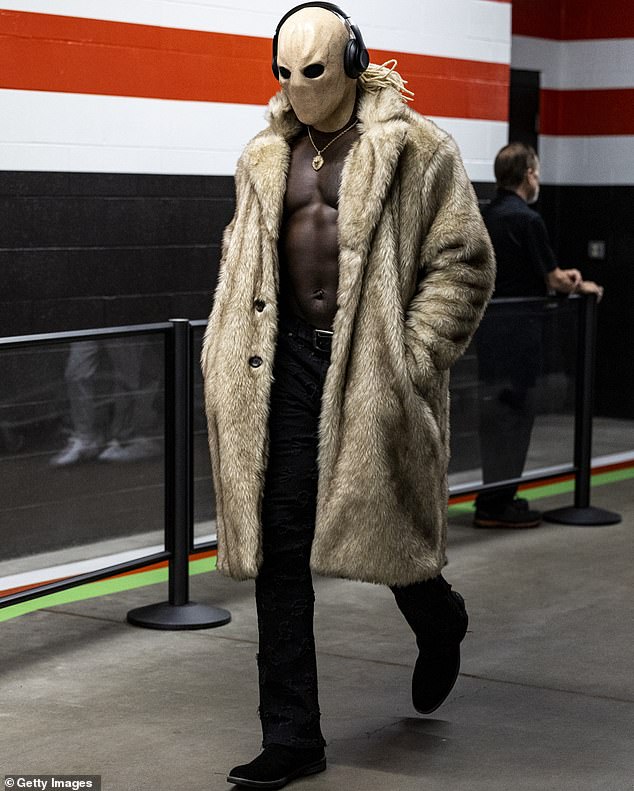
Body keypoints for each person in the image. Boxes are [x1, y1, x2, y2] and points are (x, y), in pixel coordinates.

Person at [201, 4, 495, 787]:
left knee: (389, 526)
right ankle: (293, 735)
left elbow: (464, 260)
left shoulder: (418, 149)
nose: (298, 91)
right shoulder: (265, 155)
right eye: (285, 75)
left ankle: (440, 618)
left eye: (315, 72)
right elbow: (244, 261)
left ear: (355, 60)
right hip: (286, 369)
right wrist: (226, 350)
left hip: (371, 368)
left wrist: (412, 358)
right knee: (281, 550)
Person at [474, 142, 603, 529]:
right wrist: (580, 284)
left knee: (494, 416)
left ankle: (493, 495)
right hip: (522, 335)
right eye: (537, 170)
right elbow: (554, 279)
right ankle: (498, 504)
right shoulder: (528, 220)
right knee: (517, 418)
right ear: (528, 173)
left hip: (488, 334)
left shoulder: (484, 215)